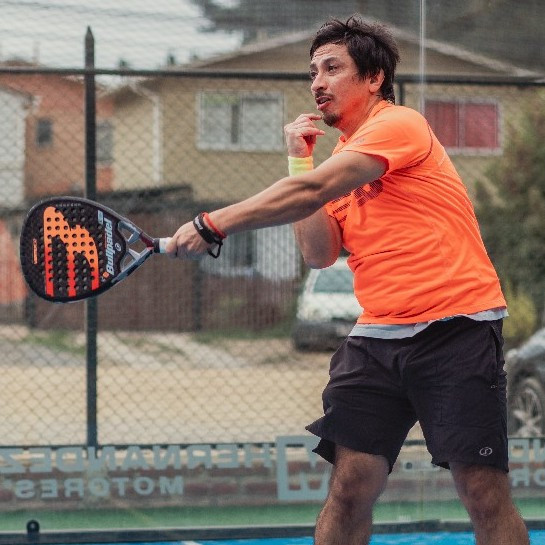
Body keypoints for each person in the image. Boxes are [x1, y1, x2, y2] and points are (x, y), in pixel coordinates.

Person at [166, 15, 529, 545]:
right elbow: (319, 253)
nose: (318, 82)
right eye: (313, 72)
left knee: (481, 490)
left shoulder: (400, 124)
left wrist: (213, 223)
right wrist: (299, 160)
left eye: (332, 68)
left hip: (457, 328)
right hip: (377, 338)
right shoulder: (334, 162)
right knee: (350, 487)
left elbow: (316, 190)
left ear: (374, 77)